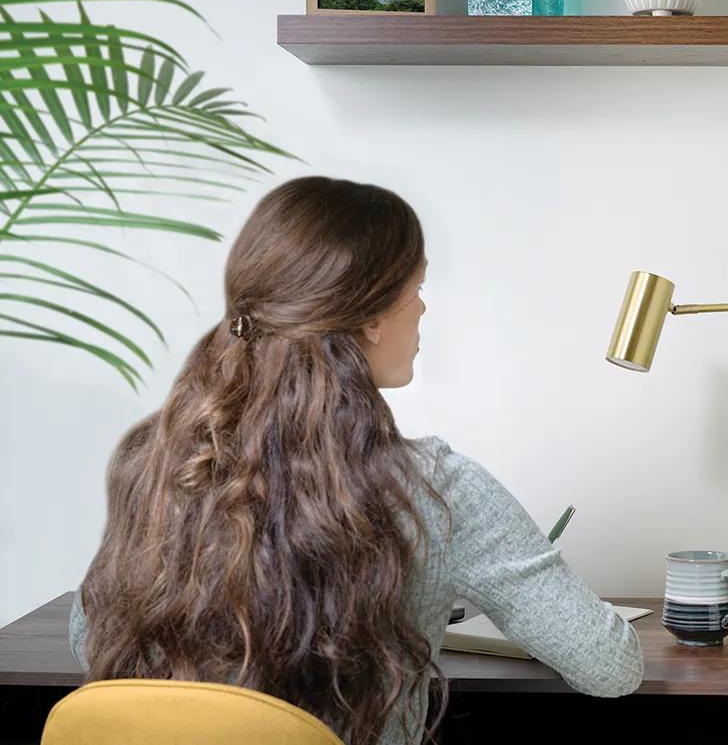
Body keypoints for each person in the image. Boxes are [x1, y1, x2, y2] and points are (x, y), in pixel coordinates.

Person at [68, 176, 643, 745]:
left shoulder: (159, 461)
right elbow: (609, 667)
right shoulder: (438, 489)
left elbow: (87, 638)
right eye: (416, 289)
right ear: (371, 318)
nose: (421, 308)